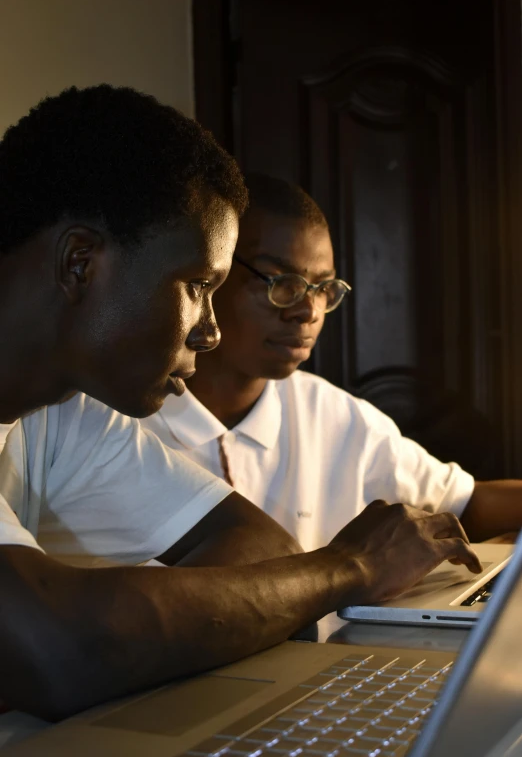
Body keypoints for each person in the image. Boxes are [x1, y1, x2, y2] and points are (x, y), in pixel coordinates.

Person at [0, 86, 480, 723]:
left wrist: (105, 625)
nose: (210, 329)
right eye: (198, 285)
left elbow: (265, 552)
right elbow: (57, 652)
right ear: (81, 263)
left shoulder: (63, 410)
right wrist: (350, 568)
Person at [142, 173, 522, 550]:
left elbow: (468, 504)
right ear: (209, 273)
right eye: (279, 281)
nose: (308, 311)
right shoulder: (124, 421)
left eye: (323, 289)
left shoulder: (338, 418)